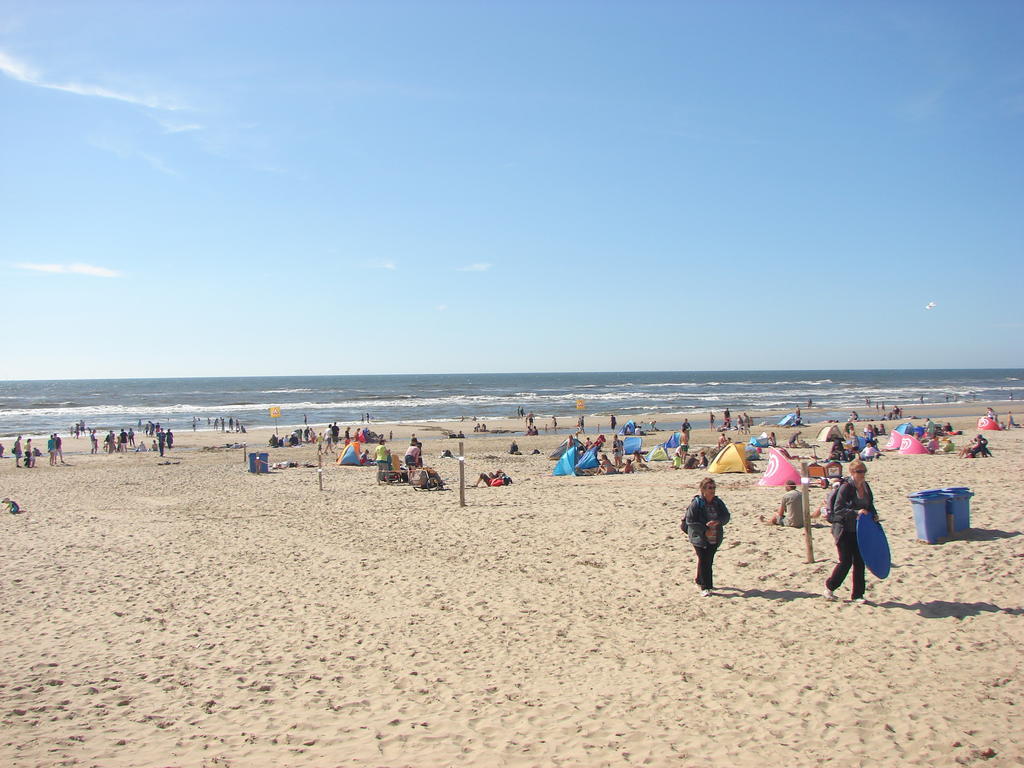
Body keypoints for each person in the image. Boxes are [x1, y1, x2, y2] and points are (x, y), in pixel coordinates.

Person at [824, 459, 876, 603]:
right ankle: (830, 587)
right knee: (845, 561)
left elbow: (870, 504)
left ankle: (858, 595)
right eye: (859, 472)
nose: (862, 475)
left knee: (860, 562)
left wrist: (874, 515)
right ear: (852, 472)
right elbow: (838, 509)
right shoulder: (846, 487)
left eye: (864, 471)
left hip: (860, 530)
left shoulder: (865, 487)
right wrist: (856, 512)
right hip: (843, 529)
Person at [683, 477, 731, 597]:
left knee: (706, 559)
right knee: (705, 560)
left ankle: (699, 580)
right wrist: (704, 530)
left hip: (715, 536)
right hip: (699, 537)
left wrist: (718, 521)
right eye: (710, 488)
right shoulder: (696, 504)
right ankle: (706, 587)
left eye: (714, 487)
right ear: (703, 490)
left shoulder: (717, 502)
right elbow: (690, 521)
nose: (712, 490)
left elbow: (726, 516)